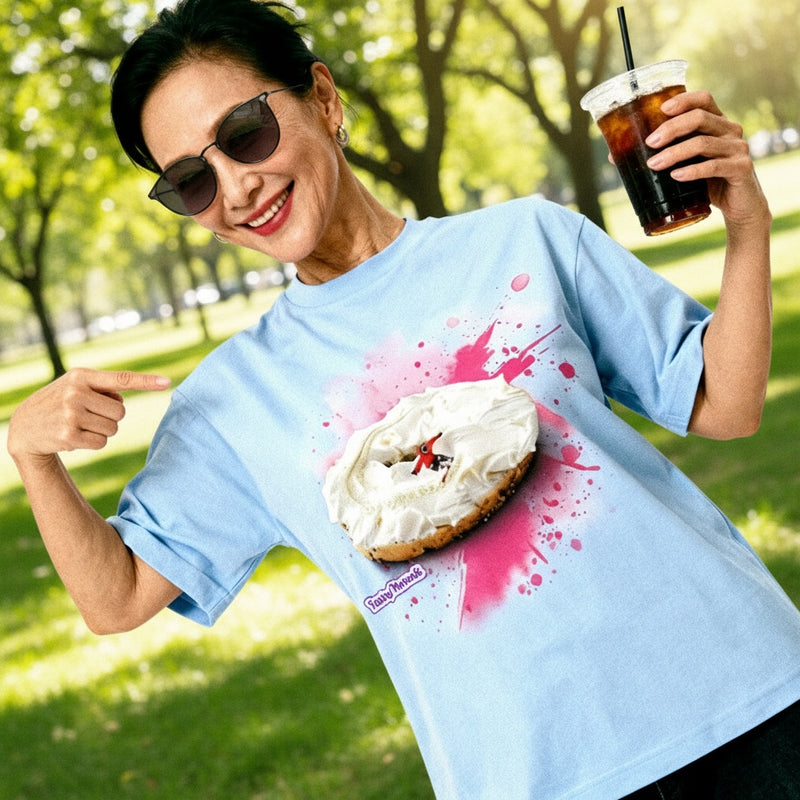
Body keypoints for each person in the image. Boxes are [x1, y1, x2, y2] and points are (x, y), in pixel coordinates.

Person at [7, 1, 800, 797]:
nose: (237, 186)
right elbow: (116, 599)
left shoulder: (527, 237)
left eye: (245, 132)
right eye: (190, 180)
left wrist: (747, 227)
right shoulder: (230, 405)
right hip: (539, 778)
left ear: (322, 97)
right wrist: (32, 455)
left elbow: (723, 406)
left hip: (748, 692)